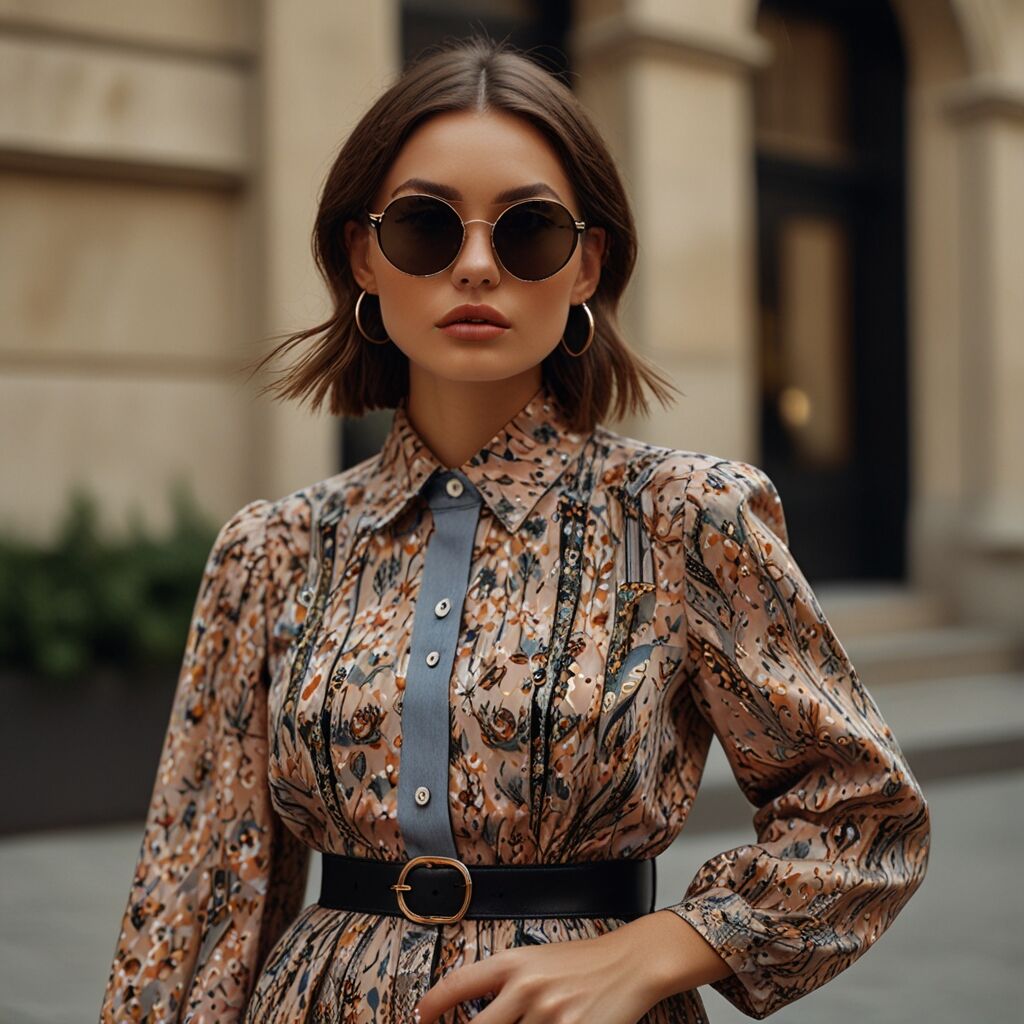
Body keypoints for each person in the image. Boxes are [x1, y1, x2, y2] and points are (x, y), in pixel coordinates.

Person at [99, 34, 931, 1024]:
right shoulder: (275, 548)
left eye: (528, 230)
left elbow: (863, 811)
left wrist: (673, 943)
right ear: (363, 254)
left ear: (586, 264)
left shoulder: (683, 517)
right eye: (425, 226)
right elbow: (200, 888)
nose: (477, 264)